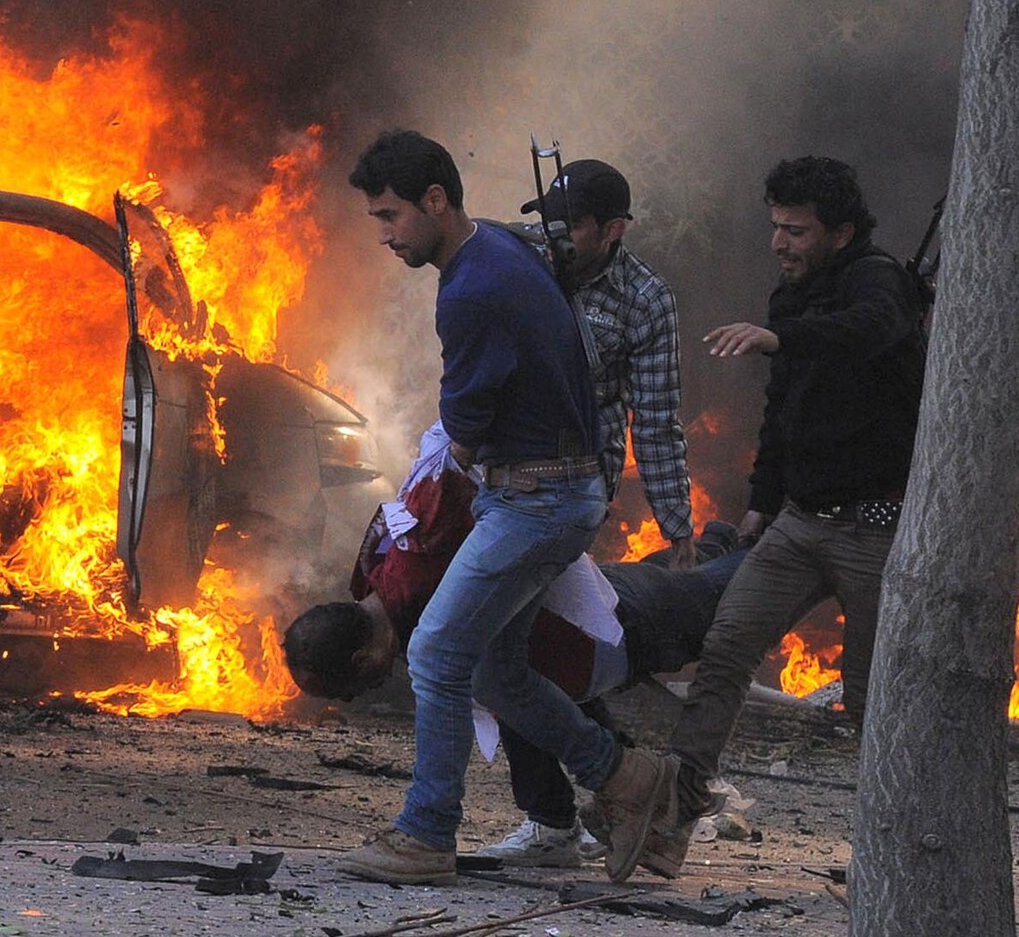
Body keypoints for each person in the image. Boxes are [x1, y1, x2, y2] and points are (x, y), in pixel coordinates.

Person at [342, 129, 677, 887]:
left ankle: (426, 836)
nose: (387, 235)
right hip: (550, 490)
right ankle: (629, 780)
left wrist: (436, 468)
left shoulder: (473, 289)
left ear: (436, 201)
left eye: (391, 216)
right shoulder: (496, 249)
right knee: (496, 670)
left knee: (432, 651)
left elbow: (465, 426)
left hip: (537, 500)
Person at [282, 421, 747, 869]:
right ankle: (554, 823)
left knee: (733, 589)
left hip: (616, 627)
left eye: (347, 689)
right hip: (595, 615)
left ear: (361, 659)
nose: (354, 698)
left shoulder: (423, 597)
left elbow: (450, 478)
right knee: (504, 676)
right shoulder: (381, 574)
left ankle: (783, 546)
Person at [646, 155, 926, 876]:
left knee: (872, 701)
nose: (780, 243)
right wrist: (760, 505)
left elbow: (868, 330)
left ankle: (901, 864)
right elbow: (784, 412)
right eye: (776, 227)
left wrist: (781, 338)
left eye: (796, 230)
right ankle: (669, 822)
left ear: (839, 233)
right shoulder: (791, 298)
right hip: (800, 524)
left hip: (878, 527)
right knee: (726, 650)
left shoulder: (879, 281)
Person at [520, 159, 697, 567]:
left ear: (612, 230)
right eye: (550, 221)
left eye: (572, 225)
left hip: (579, 475)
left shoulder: (645, 298)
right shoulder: (519, 259)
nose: (553, 237)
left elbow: (656, 421)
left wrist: (677, 528)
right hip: (506, 465)